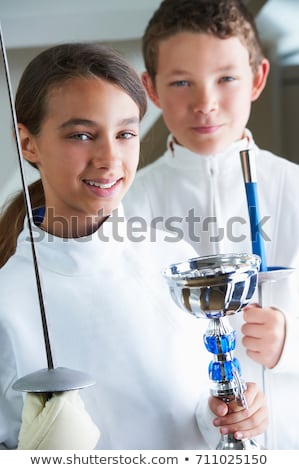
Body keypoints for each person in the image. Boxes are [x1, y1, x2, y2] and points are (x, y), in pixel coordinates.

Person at [0, 42, 267, 450]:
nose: (110, 158)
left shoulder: (177, 261)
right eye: (82, 134)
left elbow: (197, 406)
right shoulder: (8, 296)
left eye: (125, 133)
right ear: (28, 144)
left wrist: (230, 415)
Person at [123, 0, 299, 449]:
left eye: (227, 78)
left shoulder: (294, 188)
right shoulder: (127, 208)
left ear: (258, 78)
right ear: (152, 91)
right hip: (181, 444)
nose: (205, 102)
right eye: (182, 82)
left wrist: (290, 342)